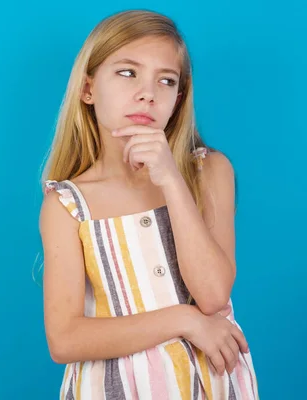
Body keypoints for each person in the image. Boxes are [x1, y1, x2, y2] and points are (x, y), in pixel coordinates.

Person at [39, 9, 259, 399]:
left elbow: (212, 295)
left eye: (166, 80)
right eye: (127, 73)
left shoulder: (209, 172)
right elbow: (65, 339)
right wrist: (184, 320)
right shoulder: (68, 205)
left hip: (211, 385)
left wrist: (171, 179)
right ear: (88, 89)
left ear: (178, 98)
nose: (148, 92)